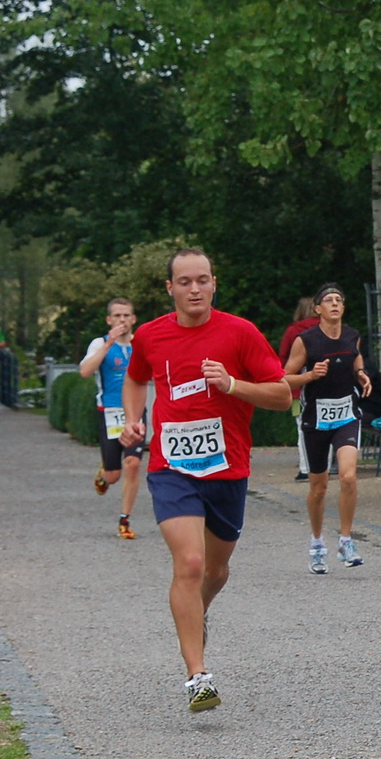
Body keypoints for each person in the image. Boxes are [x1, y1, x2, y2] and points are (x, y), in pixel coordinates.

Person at [120, 247, 292, 713]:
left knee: (214, 572)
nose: (194, 289)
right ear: (169, 288)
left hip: (227, 469)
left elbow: (281, 396)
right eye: (184, 282)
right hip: (172, 468)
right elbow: (136, 379)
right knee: (191, 565)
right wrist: (133, 420)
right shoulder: (151, 336)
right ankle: (198, 676)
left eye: (202, 280)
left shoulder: (240, 333)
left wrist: (233, 385)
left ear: (214, 283)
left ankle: (198, 614)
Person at [284, 284, 372, 574]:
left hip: (346, 414)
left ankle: (346, 540)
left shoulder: (352, 336)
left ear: (343, 308)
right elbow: (284, 378)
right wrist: (310, 375)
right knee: (319, 488)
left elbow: (354, 357)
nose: (334, 304)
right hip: (316, 420)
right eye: (328, 300)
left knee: (348, 476)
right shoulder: (305, 341)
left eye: (339, 300)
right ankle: (317, 541)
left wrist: (360, 374)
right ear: (318, 309)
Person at [79, 298, 145, 538]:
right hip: (109, 412)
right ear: (109, 320)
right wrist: (108, 345)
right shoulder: (99, 343)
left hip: (135, 413)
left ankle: (124, 520)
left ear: (133, 319)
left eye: (126, 316)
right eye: (117, 316)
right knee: (114, 475)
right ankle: (104, 472)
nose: (122, 320)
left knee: (134, 464)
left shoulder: (141, 344)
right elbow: (85, 371)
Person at [280, 296, 321, 480]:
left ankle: (306, 468)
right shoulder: (326, 329)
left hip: (298, 388)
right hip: (325, 386)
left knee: (302, 428)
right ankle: (323, 466)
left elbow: (282, 357)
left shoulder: (293, 331)